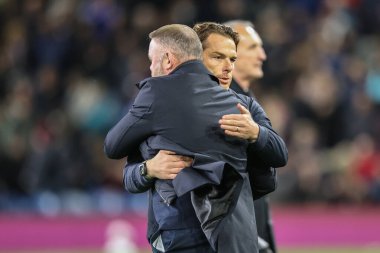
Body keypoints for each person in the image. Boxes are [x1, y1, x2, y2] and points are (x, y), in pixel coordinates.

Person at [115, 23, 288, 252]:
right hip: (179, 236)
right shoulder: (158, 105)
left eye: (232, 60)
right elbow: (128, 173)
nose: (228, 68)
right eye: (217, 57)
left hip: (234, 235)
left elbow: (280, 154)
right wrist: (148, 169)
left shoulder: (245, 106)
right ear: (193, 59)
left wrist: (256, 133)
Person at [224, 20, 277, 253]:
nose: (263, 56)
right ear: (231, 54)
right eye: (253, 48)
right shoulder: (222, 101)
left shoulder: (246, 97)